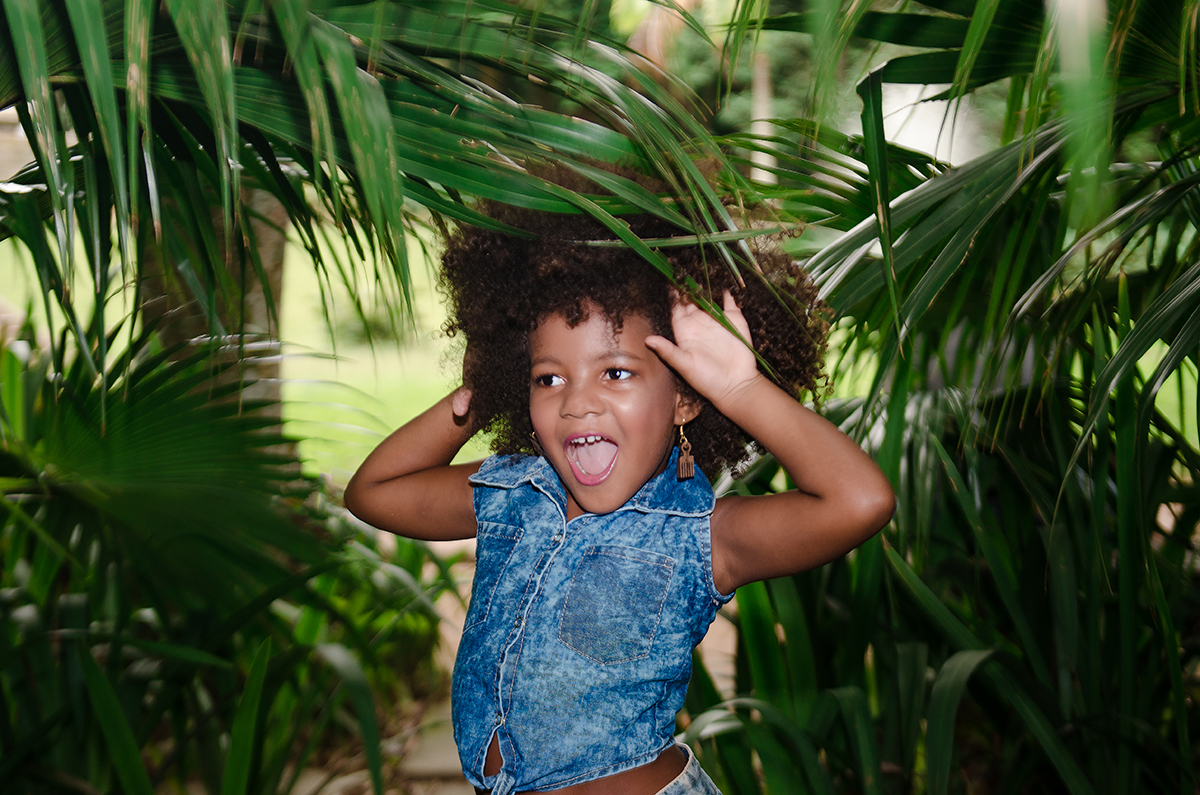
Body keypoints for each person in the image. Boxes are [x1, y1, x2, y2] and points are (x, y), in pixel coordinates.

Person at [344, 194, 896, 795]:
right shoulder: (511, 494)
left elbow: (860, 502)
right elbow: (374, 493)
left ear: (684, 398)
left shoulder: (701, 537)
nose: (578, 402)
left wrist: (739, 387)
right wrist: (484, 392)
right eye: (548, 377)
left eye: (616, 372)